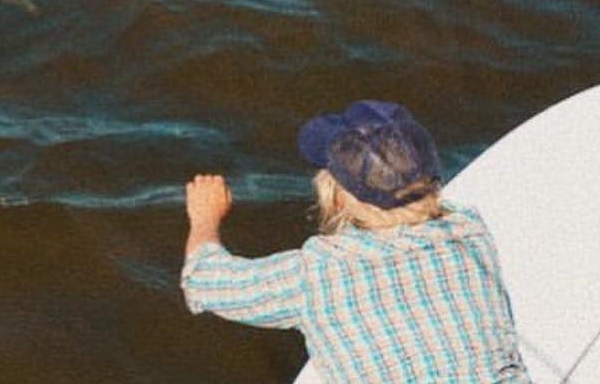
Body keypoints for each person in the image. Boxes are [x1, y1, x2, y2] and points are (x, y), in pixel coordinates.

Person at [181, 100, 530, 383]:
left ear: (340, 198)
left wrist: (205, 218)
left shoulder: (316, 273)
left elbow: (202, 280)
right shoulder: (471, 231)